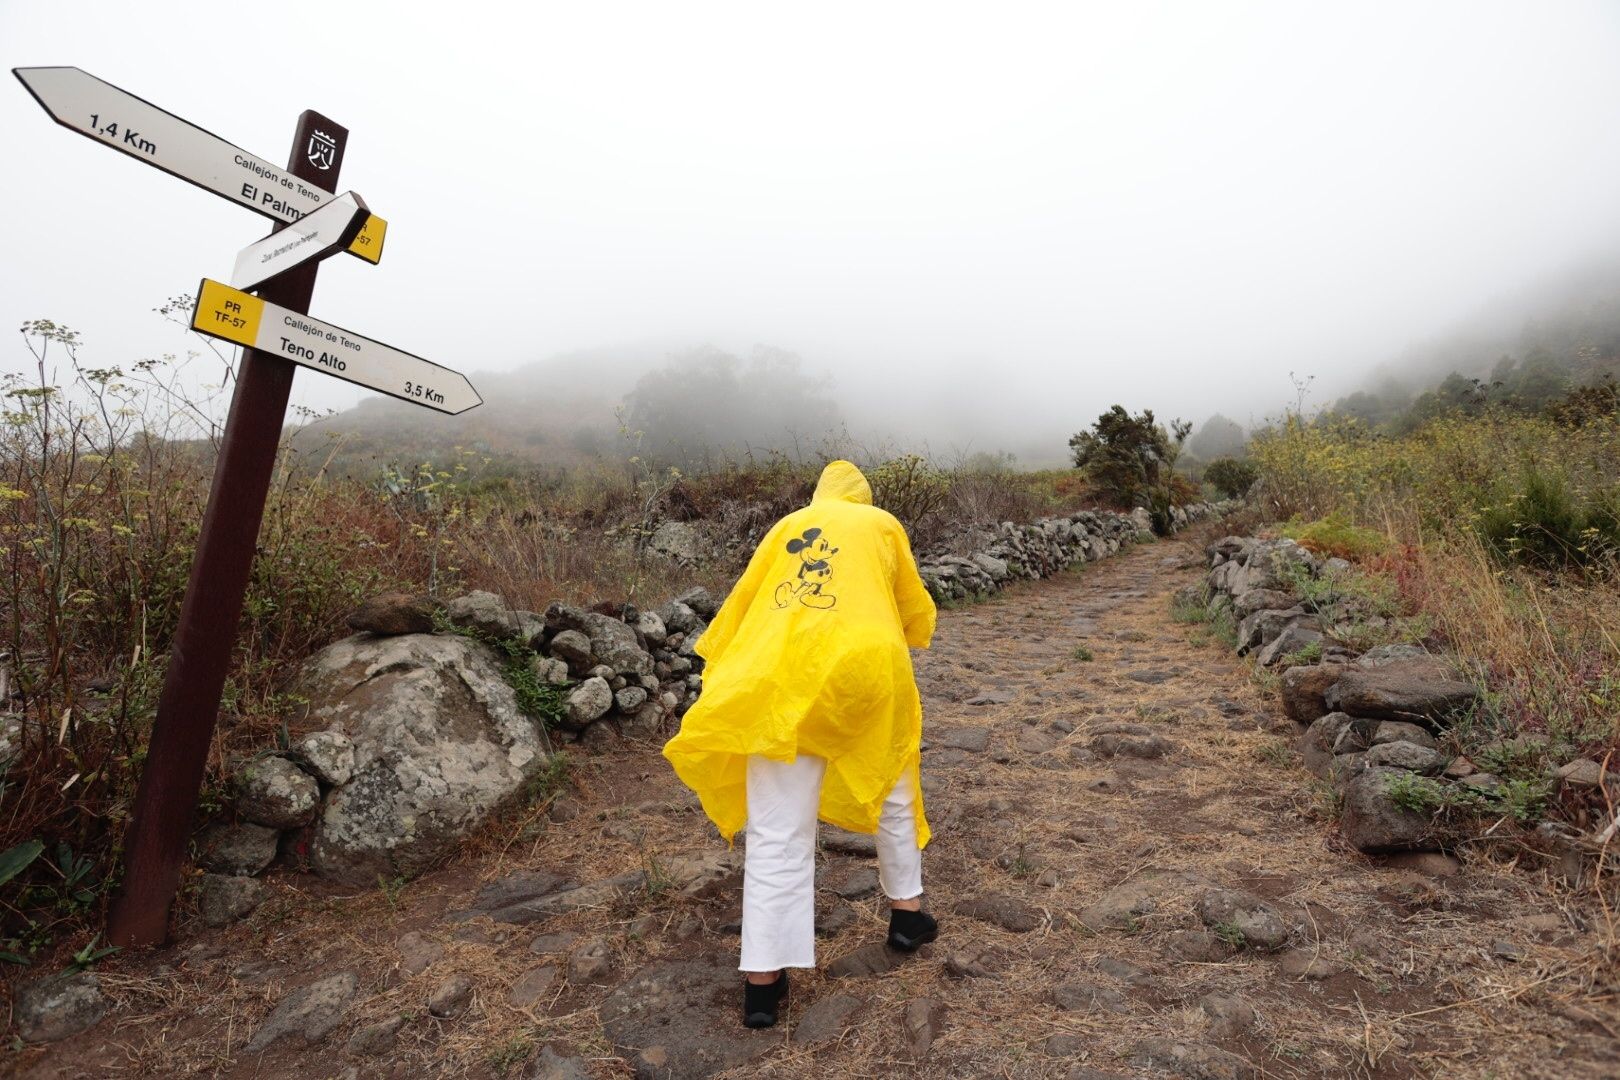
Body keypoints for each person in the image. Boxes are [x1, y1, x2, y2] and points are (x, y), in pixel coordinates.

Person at [662, 460, 939, 1028]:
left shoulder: (786, 526)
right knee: (890, 781)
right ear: (860, 498)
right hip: (863, 670)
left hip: (778, 679)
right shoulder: (882, 524)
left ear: (818, 496)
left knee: (777, 829)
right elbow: (914, 611)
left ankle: (763, 983)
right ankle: (907, 916)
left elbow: (739, 606)